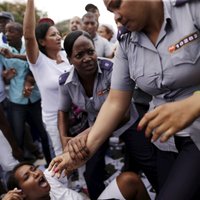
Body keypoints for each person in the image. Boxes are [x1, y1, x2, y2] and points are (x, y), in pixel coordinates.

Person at [49, 0, 200, 199]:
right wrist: (83, 150)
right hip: (165, 140)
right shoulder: (127, 41)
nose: (116, 16)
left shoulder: (191, 9)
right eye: (111, 10)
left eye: (118, 4)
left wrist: (194, 103)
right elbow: (115, 102)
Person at [57, 30, 149, 199]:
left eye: (90, 52)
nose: (87, 58)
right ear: (69, 59)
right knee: (91, 172)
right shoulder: (65, 82)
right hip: (95, 127)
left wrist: (86, 134)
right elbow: (62, 110)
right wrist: (63, 137)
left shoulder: (111, 69)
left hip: (126, 122)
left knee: (147, 161)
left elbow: (123, 113)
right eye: (79, 55)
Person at [23, 0, 72, 157]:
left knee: (81, 150)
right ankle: (64, 182)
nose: (58, 37)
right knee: (62, 155)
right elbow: (29, 36)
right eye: (53, 35)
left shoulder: (66, 55)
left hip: (77, 113)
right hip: (54, 118)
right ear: (42, 42)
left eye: (58, 33)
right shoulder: (38, 62)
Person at [0, 21, 52, 164]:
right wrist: (6, 75)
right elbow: (2, 75)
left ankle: (51, 165)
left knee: (44, 134)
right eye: (6, 31)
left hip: (35, 98)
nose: (7, 34)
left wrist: (14, 57)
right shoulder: (2, 50)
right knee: (18, 135)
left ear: (21, 34)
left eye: (11, 31)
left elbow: (36, 60)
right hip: (16, 100)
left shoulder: (30, 47)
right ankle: (25, 169)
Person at [3, 162, 150, 200]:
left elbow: (69, 157)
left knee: (129, 180)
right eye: (26, 177)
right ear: (20, 194)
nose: (35, 174)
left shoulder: (49, 177)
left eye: (34, 169)